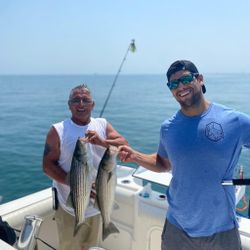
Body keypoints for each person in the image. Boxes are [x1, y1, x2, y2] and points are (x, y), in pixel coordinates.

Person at [119, 60, 250, 250]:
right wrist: (135, 156)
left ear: (200, 79)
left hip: (221, 229)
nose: (180, 87)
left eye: (186, 79)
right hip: (177, 227)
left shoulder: (235, 121)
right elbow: (163, 163)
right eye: (173, 84)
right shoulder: (168, 128)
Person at [43, 84, 128, 250]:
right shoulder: (58, 130)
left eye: (85, 100)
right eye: (76, 100)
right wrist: (79, 184)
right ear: (69, 105)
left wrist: (102, 142)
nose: (81, 104)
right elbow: (47, 166)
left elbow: (123, 144)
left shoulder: (102, 124)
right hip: (69, 207)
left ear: (93, 104)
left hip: (98, 206)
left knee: (91, 248)